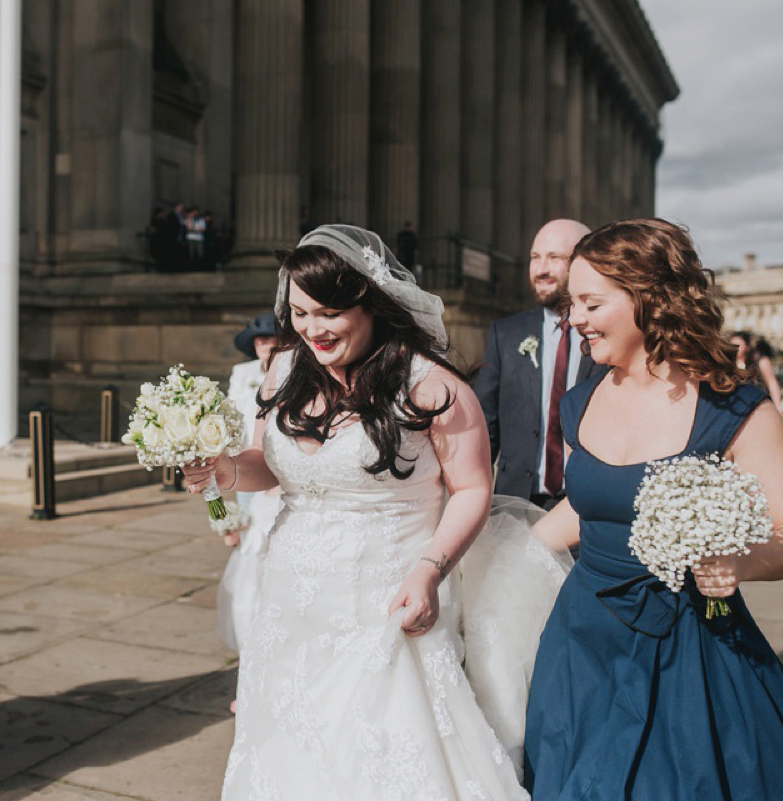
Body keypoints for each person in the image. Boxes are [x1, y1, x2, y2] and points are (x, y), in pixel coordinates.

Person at [185, 225, 569, 799]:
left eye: (328, 313)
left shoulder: (432, 387)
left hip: (389, 596)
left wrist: (430, 569)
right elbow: (269, 466)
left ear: (371, 303)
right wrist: (225, 472)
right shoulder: (286, 371)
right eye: (298, 313)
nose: (312, 329)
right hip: (290, 597)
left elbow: (471, 489)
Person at [524, 219, 783, 800]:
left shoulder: (736, 407)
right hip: (582, 644)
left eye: (591, 303)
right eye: (572, 303)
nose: (575, 319)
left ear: (650, 299)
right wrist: (494, 559)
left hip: (692, 645)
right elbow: (585, 510)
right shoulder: (579, 401)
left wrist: (739, 564)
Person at [475, 219, 601, 508]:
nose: (541, 269)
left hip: (585, 506)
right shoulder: (505, 334)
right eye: (535, 258)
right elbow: (485, 427)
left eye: (555, 258)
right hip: (515, 504)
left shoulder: (606, 335)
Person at [218, 313, 280, 663]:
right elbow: (211, 493)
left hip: (280, 487)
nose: (266, 345)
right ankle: (251, 668)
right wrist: (223, 522)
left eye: (272, 339)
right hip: (247, 471)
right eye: (261, 340)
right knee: (248, 577)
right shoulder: (243, 376)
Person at [730, 330, 783, 415]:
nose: (735, 349)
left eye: (738, 346)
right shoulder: (728, 364)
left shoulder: (760, 361)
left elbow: (772, 382)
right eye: (732, 345)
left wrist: (778, 406)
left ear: (747, 347)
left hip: (758, 406)